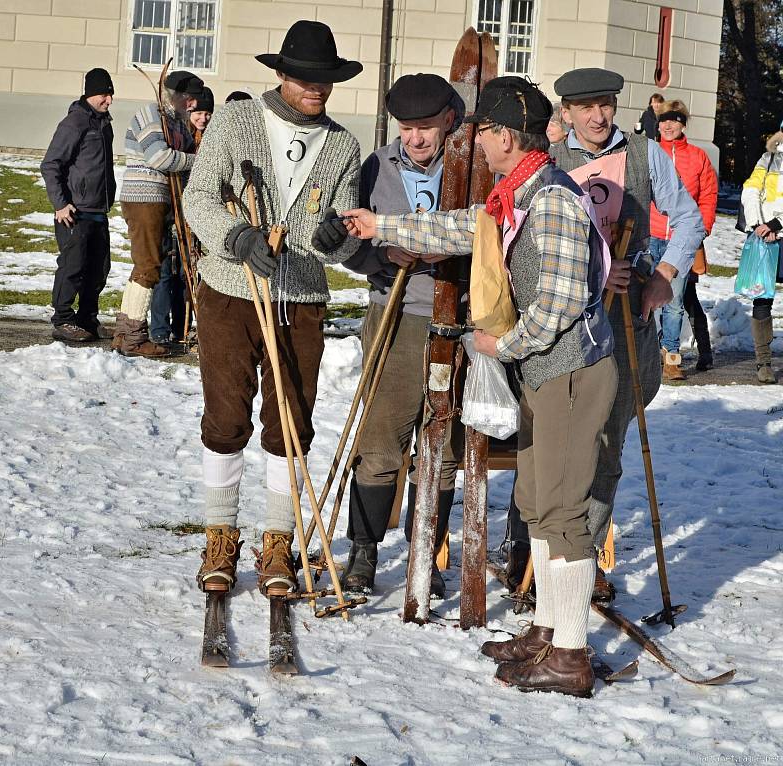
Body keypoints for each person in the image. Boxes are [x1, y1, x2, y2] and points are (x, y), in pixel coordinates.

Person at [345, 76, 617, 698]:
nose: (475, 142)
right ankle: (548, 630)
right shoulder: (515, 195)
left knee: (563, 513)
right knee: (541, 506)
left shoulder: (549, 200)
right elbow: (462, 229)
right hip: (549, 373)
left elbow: (562, 304)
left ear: (501, 135)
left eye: (481, 132)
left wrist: (503, 345)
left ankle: (570, 653)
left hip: (571, 371)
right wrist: (379, 225)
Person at [182, 20, 362, 597]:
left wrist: (341, 239)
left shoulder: (342, 144)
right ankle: (220, 535)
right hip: (231, 290)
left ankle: (278, 541)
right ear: (282, 74)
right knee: (227, 416)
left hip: (300, 297)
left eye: (326, 80)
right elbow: (199, 196)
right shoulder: (236, 122)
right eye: (306, 78)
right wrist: (236, 238)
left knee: (291, 422)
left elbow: (346, 222)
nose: (317, 89)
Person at [548, 68, 704, 602]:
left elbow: (687, 219)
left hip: (624, 319)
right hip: (561, 322)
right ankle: (541, 555)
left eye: (606, 104)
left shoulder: (645, 154)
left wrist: (664, 276)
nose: (598, 116)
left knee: (608, 441)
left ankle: (584, 559)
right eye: (586, 106)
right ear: (565, 112)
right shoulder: (548, 162)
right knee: (554, 444)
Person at [340, 73, 465, 598]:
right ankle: (364, 553)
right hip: (397, 313)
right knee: (382, 439)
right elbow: (347, 242)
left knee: (443, 446)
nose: (415, 139)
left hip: (458, 320)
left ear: (448, 122)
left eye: (426, 128)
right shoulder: (376, 167)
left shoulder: (468, 167)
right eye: (407, 128)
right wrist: (382, 254)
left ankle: (425, 552)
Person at [113, 70, 202, 357]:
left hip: (160, 200)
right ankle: (134, 338)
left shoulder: (175, 122)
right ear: (175, 96)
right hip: (144, 199)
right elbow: (159, 157)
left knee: (146, 265)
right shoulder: (150, 114)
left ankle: (124, 333)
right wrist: (196, 161)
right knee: (149, 267)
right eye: (189, 100)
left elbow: (177, 156)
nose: (192, 106)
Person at [40, 67, 116, 343]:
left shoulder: (103, 123)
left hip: (98, 209)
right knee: (73, 267)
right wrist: (61, 204)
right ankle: (63, 319)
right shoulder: (74, 123)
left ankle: (87, 318)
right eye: (103, 95)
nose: (108, 100)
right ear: (89, 94)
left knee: (98, 269)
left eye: (110, 94)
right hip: (75, 212)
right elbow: (50, 164)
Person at [650, 100, 718, 379]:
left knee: (675, 301)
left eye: (674, 120)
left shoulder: (698, 157)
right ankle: (650, 355)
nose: (667, 125)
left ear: (683, 124)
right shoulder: (650, 152)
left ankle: (671, 358)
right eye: (663, 120)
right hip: (650, 235)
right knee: (648, 300)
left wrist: (701, 229)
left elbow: (708, 196)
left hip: (680, 240)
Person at [149, 87, 214, 346]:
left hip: (194, 217)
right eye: (199, 112)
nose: (203, 118)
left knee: (189, 273)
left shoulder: (210, 140)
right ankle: (160, 329)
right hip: (171, 209)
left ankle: (182, 326)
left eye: (208, 113)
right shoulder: (178, 135)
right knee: (167, 270)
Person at [741, 125, 783, 384]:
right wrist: (758, 225)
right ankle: (763, 362)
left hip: (776, 230)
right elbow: (750, 191)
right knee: (762, 298)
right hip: (764, 238)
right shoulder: (767, 159)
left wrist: (777, 224)